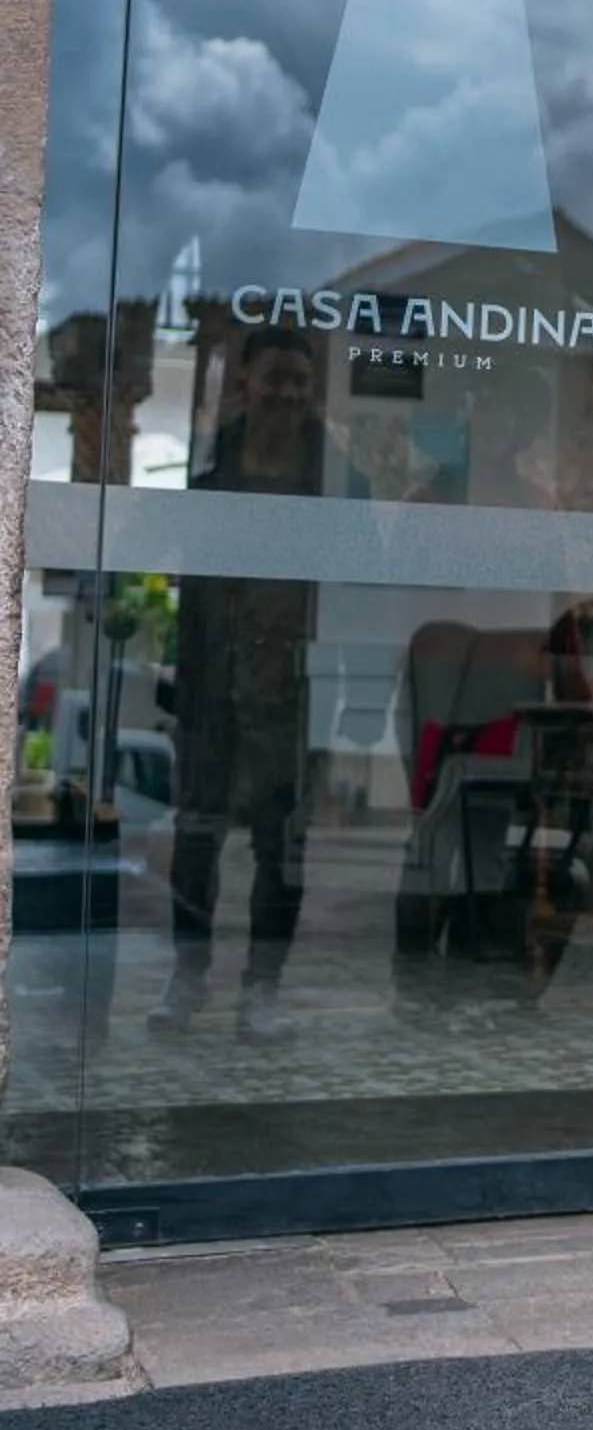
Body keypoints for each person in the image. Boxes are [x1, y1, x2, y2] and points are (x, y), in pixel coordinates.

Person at [151, 326, 353, 1042]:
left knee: (282, 847)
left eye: (300, 381)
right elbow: (183, 569)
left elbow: (362, 572)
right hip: (214, 685)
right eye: (275, 378)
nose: (287, 393)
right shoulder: (214, 463)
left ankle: (263, 988)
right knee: (195, 840)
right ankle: (187, 976)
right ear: (245, 381)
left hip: (291, 692)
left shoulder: (334, 474)